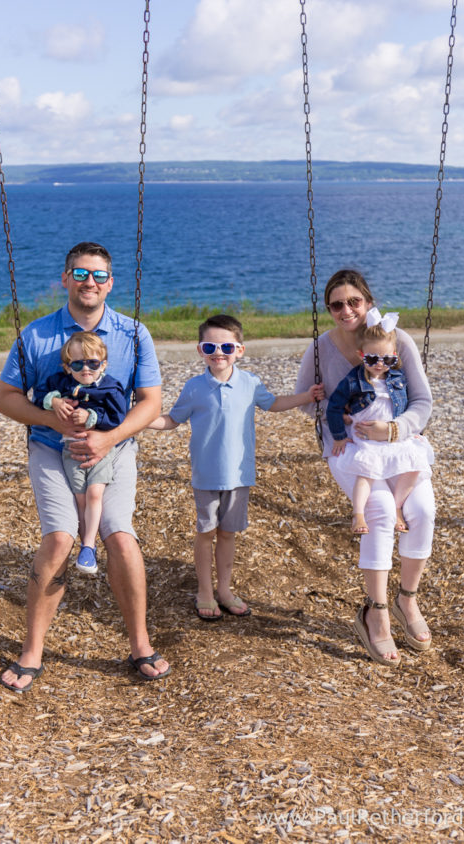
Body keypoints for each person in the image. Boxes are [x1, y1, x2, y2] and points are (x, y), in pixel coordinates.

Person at [0, 241, 170, 690]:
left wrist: (108, 437)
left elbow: (151, 403)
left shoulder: (134, 334)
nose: (88, 282)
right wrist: (50, 417)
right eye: (79, 274)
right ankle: (32, 650)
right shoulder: (35, 336)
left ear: (110, 282)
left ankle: (140, 644)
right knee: (58, 539)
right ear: (65, 279)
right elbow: (6, 399)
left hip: (113, 448)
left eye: (97, 275)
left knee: (120, 535)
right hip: (51, 447)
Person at [296, 269, 434, 667]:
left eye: (353, 302)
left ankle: (407, 599)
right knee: (379, 510)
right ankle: (375, 611)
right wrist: (328, 406)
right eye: (336, 304)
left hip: (398, 441)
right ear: (329, 309)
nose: (346, 310)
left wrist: (394, 428)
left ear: (368, 302)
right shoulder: (321, 349)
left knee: (422, 510)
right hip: (349, 446)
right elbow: (308, 401)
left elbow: (422, 402)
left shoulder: (396, 341)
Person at [148, 314, 324, 620]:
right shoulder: (194, 387)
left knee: (228, 534)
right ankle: (205, 590)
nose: (219, 352)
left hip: (239, 474)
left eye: (226, 346)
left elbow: (273, 403)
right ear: (200, 350)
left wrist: (305, 397)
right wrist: (140, 419)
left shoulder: (250, 383)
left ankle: (225, 589)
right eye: (210, 346)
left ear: (239, 350)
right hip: (206, 475)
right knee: (205, 533)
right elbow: (172, 420)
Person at [326, 308, 434, 537]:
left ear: (395, 355)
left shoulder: (397, 377)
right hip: (366, 439)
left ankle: (396, 505)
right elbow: (334, 406)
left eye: (388, 359)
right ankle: (358, 514)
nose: (379, 364)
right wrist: (338, 435)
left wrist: (406, 430)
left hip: (392, 437)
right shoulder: (354, 380)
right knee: (367, 473)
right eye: (372, 359)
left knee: (415, 466)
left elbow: (406, 405)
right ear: (361, 355)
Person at [34, 331, 127, 576]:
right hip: (71, 449)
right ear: (67, 367)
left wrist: (92, 418)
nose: (86, 369)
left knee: (95, 493)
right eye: (77, 364)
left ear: (103, 364)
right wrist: (54, 403)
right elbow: (39, 396)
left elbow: (118, 417)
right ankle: (90, 545)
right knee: (81, 499)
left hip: (101, 451)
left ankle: (86, 546)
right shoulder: (61, 383)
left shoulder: (110, 387)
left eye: (93, 363)